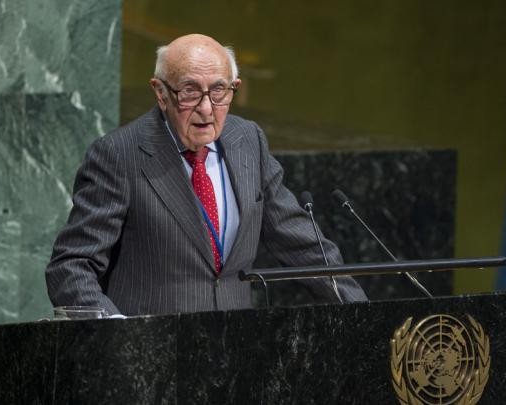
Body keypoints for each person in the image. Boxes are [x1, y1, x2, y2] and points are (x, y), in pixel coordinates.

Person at [45, 34, 367, 316]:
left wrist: (366, 319)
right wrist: (121, 339)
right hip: (150, 359)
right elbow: (72, 267)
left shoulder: (248, 142)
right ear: (160, 93)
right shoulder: (119, 154)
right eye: (189, 91)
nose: (206, 108)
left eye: (218, 91)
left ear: (234, 89)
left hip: (234, 358)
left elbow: (305, 250)